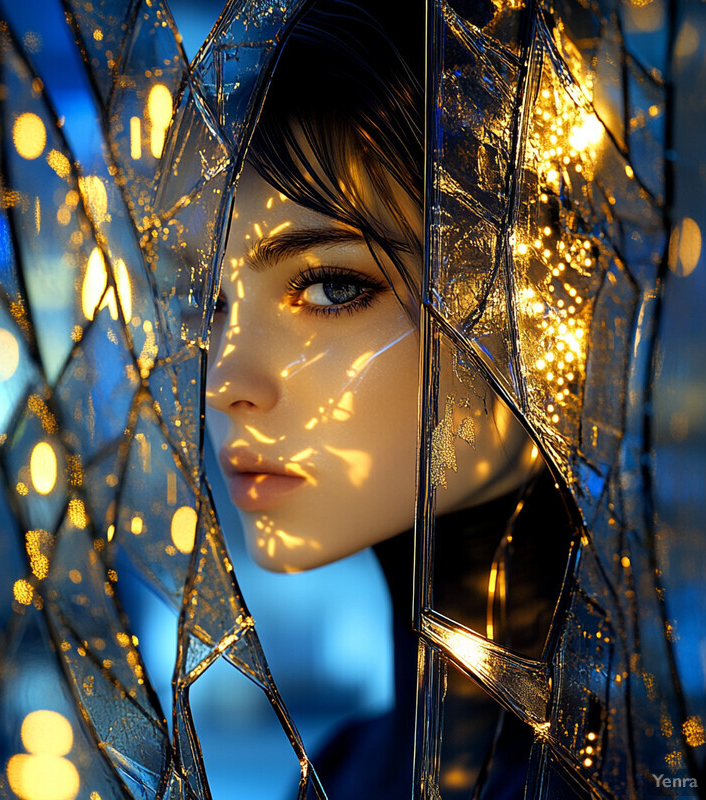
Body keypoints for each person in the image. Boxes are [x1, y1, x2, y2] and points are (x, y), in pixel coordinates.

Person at [205, 1, 573, 797]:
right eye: (213, 304)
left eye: (333, 286)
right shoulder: (338, 774)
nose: (226, 384)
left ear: (545, 300)